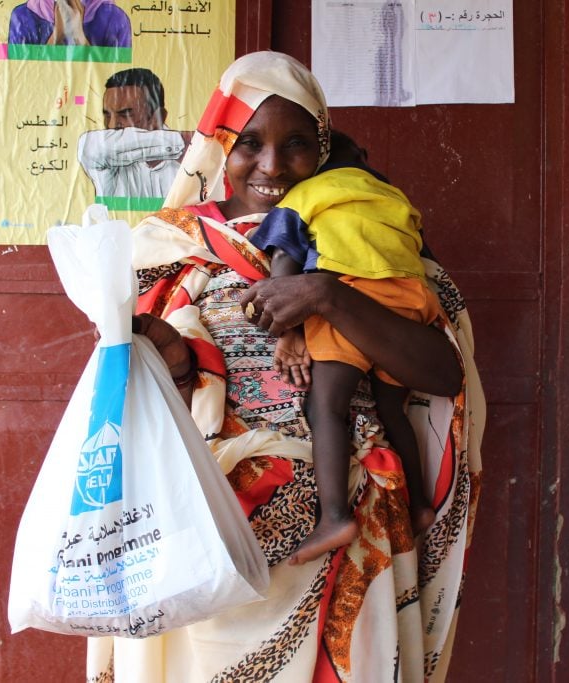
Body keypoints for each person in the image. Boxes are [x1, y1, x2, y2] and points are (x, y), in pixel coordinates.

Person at [85, 51, 486, 682]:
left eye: (297, 144)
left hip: (354, 540)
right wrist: (175, 357)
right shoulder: (172, 249)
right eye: (249, 143)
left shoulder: (375, 244)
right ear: (219, 145)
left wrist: (330, 295)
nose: (272, 166)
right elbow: (138, 408)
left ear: (324, 149)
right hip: (212, 534)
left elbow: (442, 376)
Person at [248, 130, 439, 565]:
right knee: (394, 410)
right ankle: (421, 505)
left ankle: (334, 517)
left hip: (348, 296)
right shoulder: (391, 194)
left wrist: (290, 323)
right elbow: (420, 247)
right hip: (409, 299)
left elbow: (285, 256)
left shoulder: (307, 193)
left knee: (326, 407)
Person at [77, 68, 188, 200]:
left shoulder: (190, 166)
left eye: (126, 114)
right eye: (107, 115)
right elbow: (91, 147)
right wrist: (184, 141)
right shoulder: (105, 159)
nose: (112, 125)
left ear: (157, 117)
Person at [8, 0, 131, 47]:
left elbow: (117, 88)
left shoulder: (115, 19)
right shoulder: (22, 17)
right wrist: (57, 36)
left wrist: (79, 37)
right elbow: (20, 82)